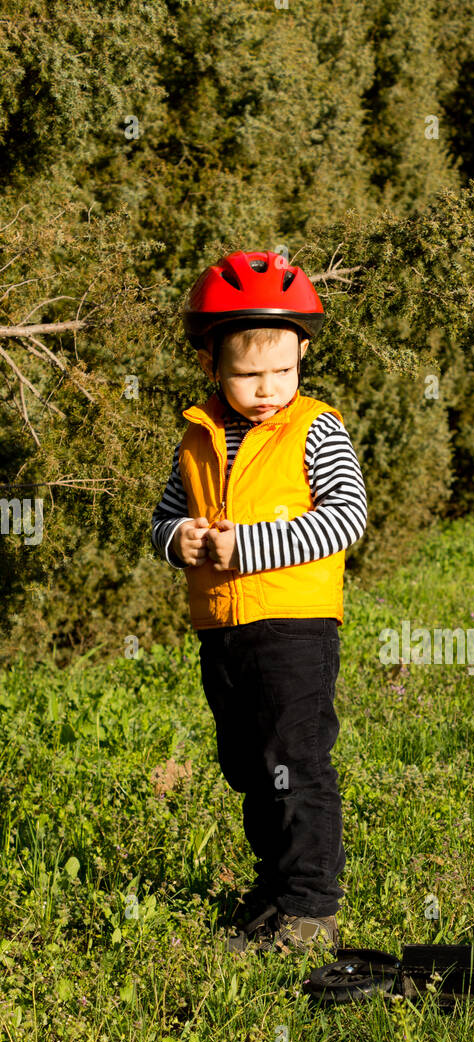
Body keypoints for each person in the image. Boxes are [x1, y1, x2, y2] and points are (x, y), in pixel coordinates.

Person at [150, 249, 367, 955]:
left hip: (295, 627)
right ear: (212, 365)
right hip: (224, 632)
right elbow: (162, 517)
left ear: (302, 357)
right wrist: (177, 538)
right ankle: (273, 890)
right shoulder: (199, 435)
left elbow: (345, 519)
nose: (268, 387)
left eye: (284, 370)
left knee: (294, 759)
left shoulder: (315, 430)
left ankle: (310, 905)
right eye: (248, 374)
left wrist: (249, 549)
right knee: (249, 765)